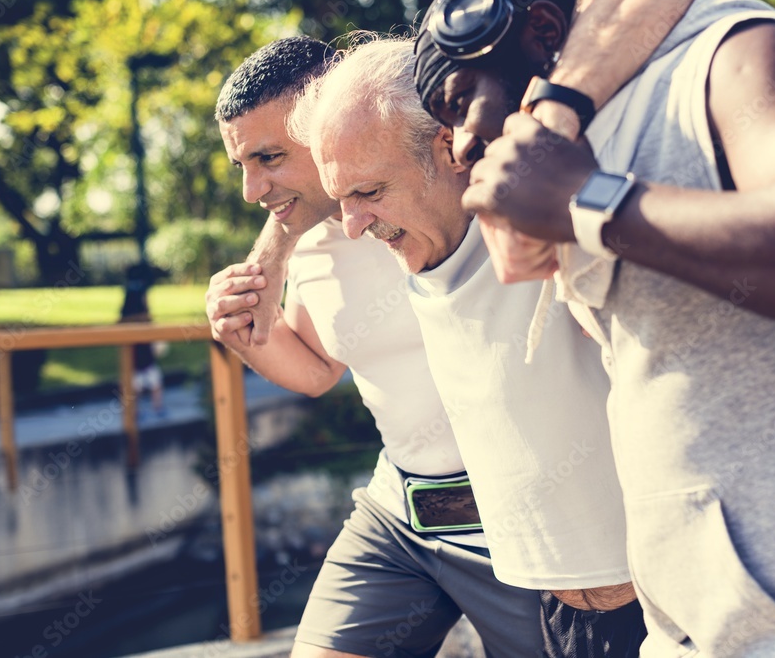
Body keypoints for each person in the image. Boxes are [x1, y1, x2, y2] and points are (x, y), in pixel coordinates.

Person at [434, 0, 775, 654]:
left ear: (537, 26)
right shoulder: (598, 116)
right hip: (707, 627)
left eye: (455, 104)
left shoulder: (752, 52)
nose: (459, 145)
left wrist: (589, 200)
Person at [295, 33, 644, 656]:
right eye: (341, 197)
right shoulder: (412, 240)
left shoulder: (538, 207)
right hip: (554, 605)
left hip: (652, 600)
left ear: (449, 147)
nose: (353, 223)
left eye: (369, 193)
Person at [207, 37, 546, 658]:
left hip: (526, 517)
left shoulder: (446, 185)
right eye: (244, 165)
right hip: (401, 518)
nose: (253, 188)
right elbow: (314, 370)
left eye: (271, 157)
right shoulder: (312, 240)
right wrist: (247, 334)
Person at [119, 284, 165, 416]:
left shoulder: (147, 319)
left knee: (156, 383)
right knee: (133, 387)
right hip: (134, 363)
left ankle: (158, 408)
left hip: (147, 361)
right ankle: (134, 412)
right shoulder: (128, 322)